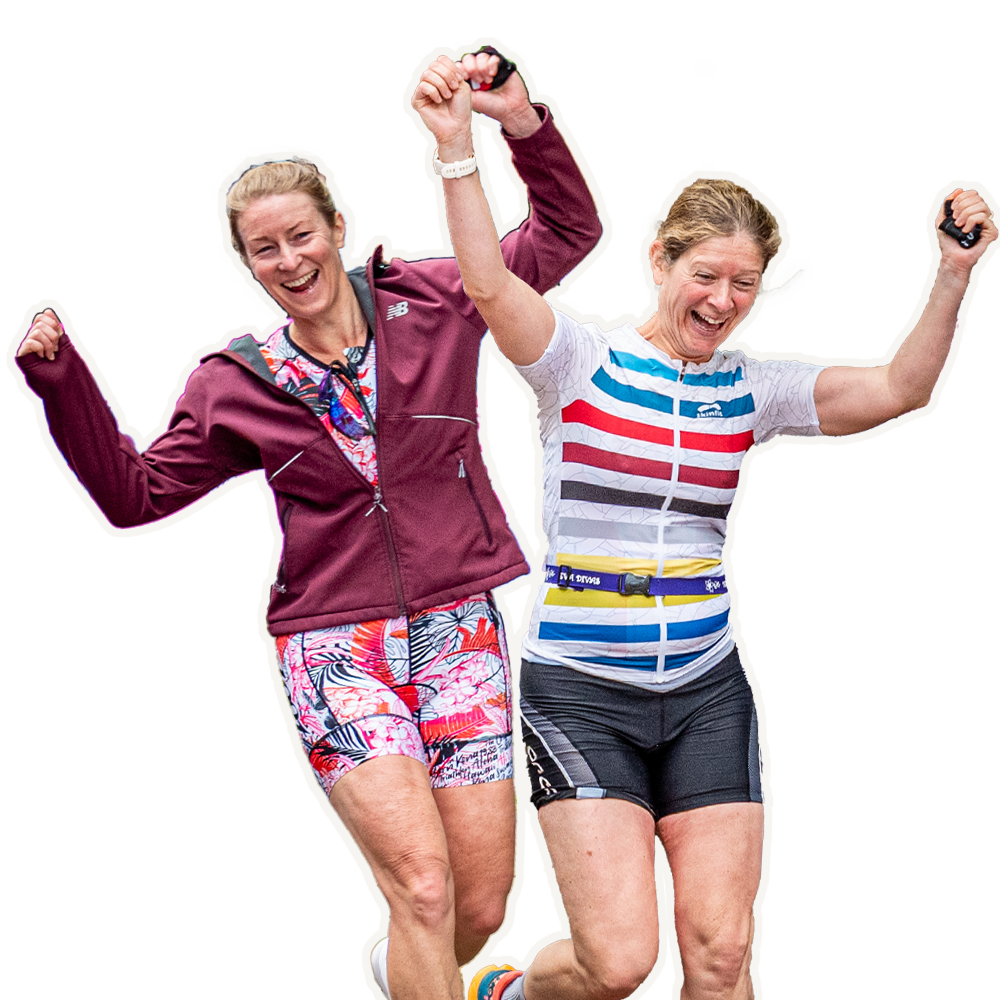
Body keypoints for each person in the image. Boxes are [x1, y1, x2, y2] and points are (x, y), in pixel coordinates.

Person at [16, 49, 600, 1000]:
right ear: (247, 263)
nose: (289, 262)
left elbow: (569, 231)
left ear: (337, 229)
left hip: (459, 627)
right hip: (337, 644)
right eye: (265, 250)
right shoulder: (234, 384)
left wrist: (518, 121)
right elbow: (135, 494)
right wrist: (60, 381)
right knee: (421, 888)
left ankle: (412, 977)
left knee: (478, 905)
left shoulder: (439, 298)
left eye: (301, 236)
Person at [411, 58, 996, 1000]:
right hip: (582, 692)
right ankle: (506, 993)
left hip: (705, 692)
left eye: (746, 284)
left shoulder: (750, 390)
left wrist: (954, 274)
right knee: (617, 964)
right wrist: (456, 150)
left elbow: (899, 388)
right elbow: (486, 284)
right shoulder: (579, 360)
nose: (723, 301)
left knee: (722, 958)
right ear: (662, 261)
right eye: (707, 275)